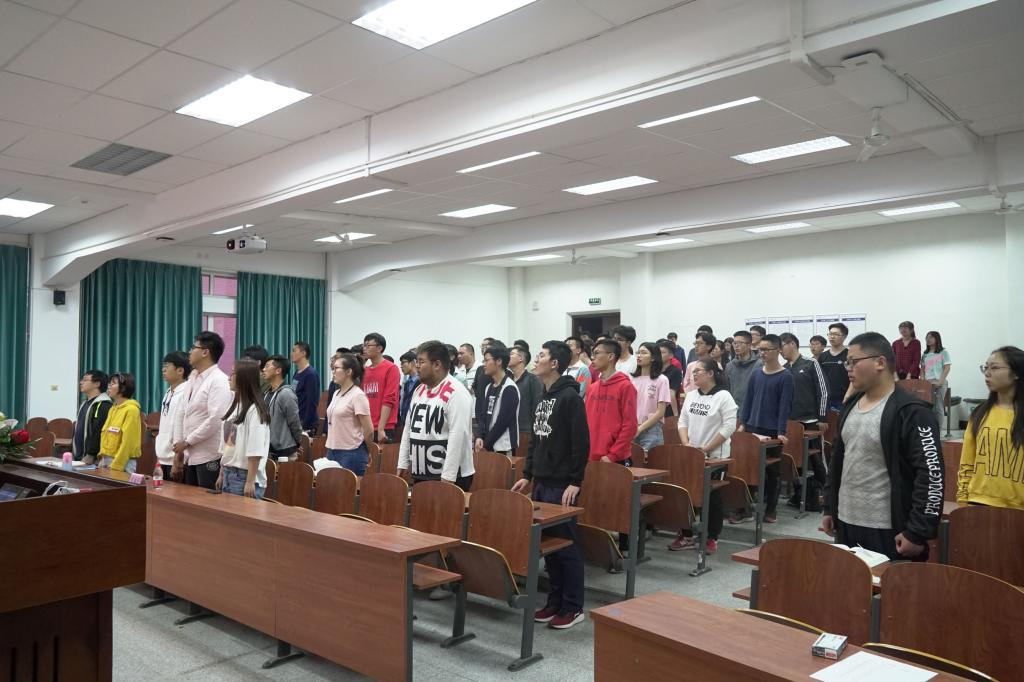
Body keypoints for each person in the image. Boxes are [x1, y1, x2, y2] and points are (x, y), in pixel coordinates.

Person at [821, 332, 943, 560]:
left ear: (880, 362)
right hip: (846, 521)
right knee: (849, 581)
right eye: (847, 362)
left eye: (854, 362)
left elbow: (931, 475)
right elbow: (837, 460)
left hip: (889, 529)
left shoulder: (912, 412)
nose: (848, 368)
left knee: (889, 584)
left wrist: (917, 532)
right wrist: (829, 506)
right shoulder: (850, 406)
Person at [512, 340, 589, 630]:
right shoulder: (544, 397)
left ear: (554, 363)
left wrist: (575, 481)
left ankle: (573, 606)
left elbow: (581, 443)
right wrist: (527, 474)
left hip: (562, 485)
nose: (536, 360)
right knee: (551, 549)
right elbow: (536, 440)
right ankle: (554, 602)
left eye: (541, 356)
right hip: (542, 482)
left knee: (567, 547)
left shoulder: (570, 397)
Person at [671, 359, 737, 553]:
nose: (694, 374)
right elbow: (682, 421)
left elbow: (729, 426)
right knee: (685, 494)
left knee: (712, 498)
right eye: (693, 371)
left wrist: (706, 448)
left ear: (710, 373)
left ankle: (711, 537)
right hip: (691, 454)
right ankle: (686, 535)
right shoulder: (691, 395)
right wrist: (687, 445)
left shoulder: (723, 396)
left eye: (698, 371)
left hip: (715, 457)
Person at [398, 340, 475, 490]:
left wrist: (448, 476)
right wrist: (403, 462)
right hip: (422, 472)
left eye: (421, 362)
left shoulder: (457, 392)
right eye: (416, 362)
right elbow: (408, 428)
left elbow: (458, 435)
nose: (417, 366)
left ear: (437, 365)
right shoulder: (419, 390)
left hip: (450, 476)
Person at [735, 334, 794, 524]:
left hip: (772, 431)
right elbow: (748, 400)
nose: (762, 353)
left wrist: (781, 432)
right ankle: (744, 509)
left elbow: (784, 406)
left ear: (778, 350)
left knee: (772, 472)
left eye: (766, 349)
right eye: (760, 349)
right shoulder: (756, 373)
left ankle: (771, 509)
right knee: (747, 468)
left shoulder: (786, 376)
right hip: (752, 427)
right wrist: (743, 423)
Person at [586, 338, 638, 552]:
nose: (593, 357)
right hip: (592, 457)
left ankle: (625, 551)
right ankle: (598, 548)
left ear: (610, 356)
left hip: (615, 458)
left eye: (597, 353)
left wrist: (613, 455)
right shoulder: (592, 388)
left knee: (620, 505)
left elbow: (630, 426)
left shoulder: (625, 386)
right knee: (595, 504)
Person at [957, 347, 1023, 509]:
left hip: (1018, 507)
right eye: (986, 367)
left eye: (994, 368)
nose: (987, 373)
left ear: (1016, 373)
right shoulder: (980, 413)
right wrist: (963, 499)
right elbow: (967, 462)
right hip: (979, 502)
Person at [173, 331, 233, 488]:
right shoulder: (192, 377)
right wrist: (179, 449)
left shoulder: (219, 380)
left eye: (193, 348)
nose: (190, 351)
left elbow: (216, 419)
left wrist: (187, 441)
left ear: (205, 352)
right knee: (187, 499)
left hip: (208, 455)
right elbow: (181, 413)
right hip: (189, 454)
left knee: (206, 500)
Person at [779, 333, 828, 511]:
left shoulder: (810, 363)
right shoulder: (784, 369)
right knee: (796, 461)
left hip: (811, 421)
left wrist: (822, 417)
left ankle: (826, 494)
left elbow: (823, 391)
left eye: (782, 346)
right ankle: (801, 495)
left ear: (792, 344)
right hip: (790, 423)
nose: (780, 351)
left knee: (816, 461)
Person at [325, 353, 373, 475]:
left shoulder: (358, 395)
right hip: (332, 449)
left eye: (336, 368)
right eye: (333, 368)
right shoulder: (336, 393)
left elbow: (369, 430)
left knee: (349, 487)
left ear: (348, 372)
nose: (333, 372)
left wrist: (368, 451)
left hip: (352, 452)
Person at [474, 345, 520, 454]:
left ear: (499, 361)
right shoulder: (489, 387)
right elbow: (483, 415)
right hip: (488, 444)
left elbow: (502, 422)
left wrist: (486, 444)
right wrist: (479, 436)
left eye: (487, 360)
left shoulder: (509, 388)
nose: (484, 364)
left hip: (503, 446)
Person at [97, 373, 142, 473]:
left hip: (122, 463)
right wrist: (102, 458)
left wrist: (116, 466)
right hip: (106, 460)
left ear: (123, 388)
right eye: (109, 383)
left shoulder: (131, 410)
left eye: (113, 383)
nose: (109, 386)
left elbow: (128, 443)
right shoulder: (113, 409)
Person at [155, 352, 191, 478]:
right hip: (163, 456)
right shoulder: (168, 392)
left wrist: (179, 456)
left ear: (180, 370)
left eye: (167, 366)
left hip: (176, 458)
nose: (163, 369)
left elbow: (183, 427)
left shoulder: (186, 392)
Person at [262, 355, 303, 461]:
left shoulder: (286, 393)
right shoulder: (267, 393)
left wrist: (299, 442)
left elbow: (294, 422)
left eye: (267, 366)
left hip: (285, 451)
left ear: (278, 370)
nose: (263, 369)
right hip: (269, 450)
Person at [631, 342, 671, 452]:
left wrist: (640, 429)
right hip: (632, 427)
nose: (639, 355)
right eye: (638, 352)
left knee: (650, 460)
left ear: (653, 357)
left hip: (652, 429)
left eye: (644, 353)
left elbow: (660, 412)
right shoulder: (632, 379)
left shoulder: (662, 380)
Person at [362, 332, 401, 443]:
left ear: (379, 348)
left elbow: (389, 399)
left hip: (384, 428)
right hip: (367, 427)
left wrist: (381, 428)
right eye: (364, 345)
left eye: (368, 345)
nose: (364, 349)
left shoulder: (391, 368)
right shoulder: (365, 371)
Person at [73, 369, 111, 464]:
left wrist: (91, 454)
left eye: (85, 380)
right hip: (78, 456)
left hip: (92, 459)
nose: (81, 382)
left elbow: (99, 431)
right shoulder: (84, 404)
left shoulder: (103, 405)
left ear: (97, 384)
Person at [724, 331, 762, 415]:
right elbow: (726, 391)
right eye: (734, 343)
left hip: (753, 412)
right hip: (734, 412)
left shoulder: (760, 365)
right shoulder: (729, 366)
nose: (736, 346)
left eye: (740, 343)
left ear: (749, 345)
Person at [921, 331, 952, 425]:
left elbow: (947, 368)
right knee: (927, 407)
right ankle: (929, 429)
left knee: (938, 408)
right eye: (927, 337)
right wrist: (923, 382)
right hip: (928, 383)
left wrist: (940, 381)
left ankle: (938, 430)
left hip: (939, 382)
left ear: (937, 339)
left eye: (931, 337)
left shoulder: (943, 352)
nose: (928, 339)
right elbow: (922, 369)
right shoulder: (925, 354)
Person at [511, 346, 543, 434]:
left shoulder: (532, 380)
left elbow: (537, 406)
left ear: (520, 358)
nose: (508, 357)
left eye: (511, 354)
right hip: (509, 429)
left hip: (526, 430)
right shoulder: (508, 380)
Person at [291, 340, 321, 433]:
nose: (291, 353)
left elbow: (312, 402)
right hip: (296, 420)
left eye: (294, 351)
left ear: (303, 353)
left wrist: (304, 425)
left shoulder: (310, 374)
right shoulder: (297, 373)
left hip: (305, 424)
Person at [820, 323, 850, 412]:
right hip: (826, 399)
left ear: (844, 337)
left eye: (836, 334)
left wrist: (848, 395)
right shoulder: (822, 356)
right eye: (830, 334)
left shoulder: (849, 355)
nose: (832, 337)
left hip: (844, 398)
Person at [657, 340, 682, 417]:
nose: (659, 355)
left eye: (662, 352)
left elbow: (671, 393)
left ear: (671, 355)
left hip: (667, 409)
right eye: (658, 352)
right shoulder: (654, 370)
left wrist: (675, 415)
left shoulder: (675, 371)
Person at [397, 350, 420, 431]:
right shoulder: (406, 383)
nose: (401, 366)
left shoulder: (422, 382)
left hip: (417, 422)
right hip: (405, 422)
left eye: (403, 363)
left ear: (413, 363)